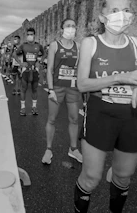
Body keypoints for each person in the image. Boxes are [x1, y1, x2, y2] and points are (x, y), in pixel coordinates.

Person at [74, 0, 137, 213]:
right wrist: (121, 77)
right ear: (102, 18)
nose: (123, 15)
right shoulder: (90, 43)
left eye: (127, 10)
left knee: (123, 176)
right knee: (91, 178)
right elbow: (82, 84)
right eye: (115, 11)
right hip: (100, 113)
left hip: (131, 115)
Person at [42, 19, 83, 164]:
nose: (71, 29)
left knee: (74, 118)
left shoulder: (79, 46)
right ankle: (48, 150)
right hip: (57, 87)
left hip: (73, 87)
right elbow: (50, 69)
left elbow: (81, 68)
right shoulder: (54, 45)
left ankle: (73, 149)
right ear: (61, 29)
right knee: (52, 119)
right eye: (68, 26)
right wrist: (50, 89)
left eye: (73, 26)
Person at [14, 28, 45, 116]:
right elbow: (14, 54)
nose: (29, 36)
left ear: (34, 35)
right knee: (23, 89)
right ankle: (23, 108)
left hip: (35, 70)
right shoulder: (23, 46)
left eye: (31, 34)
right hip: (25, 70)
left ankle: (34, 107)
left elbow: (44, 53)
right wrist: (20, 63)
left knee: (34, 89)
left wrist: (40, 62)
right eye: (28, 34)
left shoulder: (38, 46)